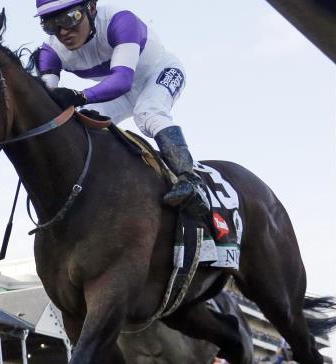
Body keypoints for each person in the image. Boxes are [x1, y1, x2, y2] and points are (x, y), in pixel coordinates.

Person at [33, 0, 209, 217]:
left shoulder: (120, 20)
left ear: (91, 8)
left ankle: (189, 179)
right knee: (83, 123)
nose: (63, 32)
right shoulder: (50, 51)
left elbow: (123, 80)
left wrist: (80, 95)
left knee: (149, 112)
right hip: (119, 92)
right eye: (50, 25)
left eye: (70, 19)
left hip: (158, 72)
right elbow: (44, 102)